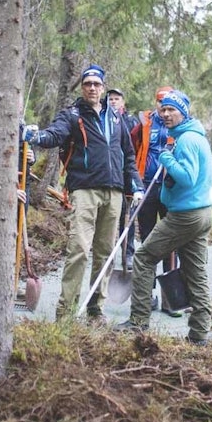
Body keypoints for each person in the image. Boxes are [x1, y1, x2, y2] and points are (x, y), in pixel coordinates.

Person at [24, 65, 144, 319]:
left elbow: (128, 155)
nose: (92, 88)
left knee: (105, 253)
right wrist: (36, 136)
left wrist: (136, 185)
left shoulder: (116, 117)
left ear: (102, 87)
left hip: (114, 193)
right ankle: (66, 311)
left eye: (96, 84)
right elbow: (54, 135)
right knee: (78, 248)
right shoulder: (72, 115)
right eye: (88, 83)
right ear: (82, 87)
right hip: (84, 191)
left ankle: (95, 309)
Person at [115, 90, 212, 345]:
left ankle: (138, 321)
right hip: (201, 213)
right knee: (195, 271)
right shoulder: (193, 136)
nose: (166, 114)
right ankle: (199, 335)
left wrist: (166, 158)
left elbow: (187, 177)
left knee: (145, 257)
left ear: (184, 112)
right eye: (163, 110)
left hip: (185, 215)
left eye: (172, 110)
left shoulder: (188, 140)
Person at [131, 85, 183, 315]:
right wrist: (132, 182)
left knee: (171, 242)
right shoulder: (145, 122)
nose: (163, 108)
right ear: (156, 102)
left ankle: (170, 298)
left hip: (169, 188)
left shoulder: (180, 126)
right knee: (148, 240)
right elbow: (130, 149)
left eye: (168, 103)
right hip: (147, 187)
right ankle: (147, 294)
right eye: (160, 102)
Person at [107, 87, 140, 268]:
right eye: (110, 98)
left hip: (127, 173)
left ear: (123, 102)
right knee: (110, 216)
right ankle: (108, 253)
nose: (113, 101)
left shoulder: (131, 121)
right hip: (111, 174)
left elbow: (135, 148)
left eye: (116, 99)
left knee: (128, 217)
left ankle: (128, 253)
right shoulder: (104, 119)